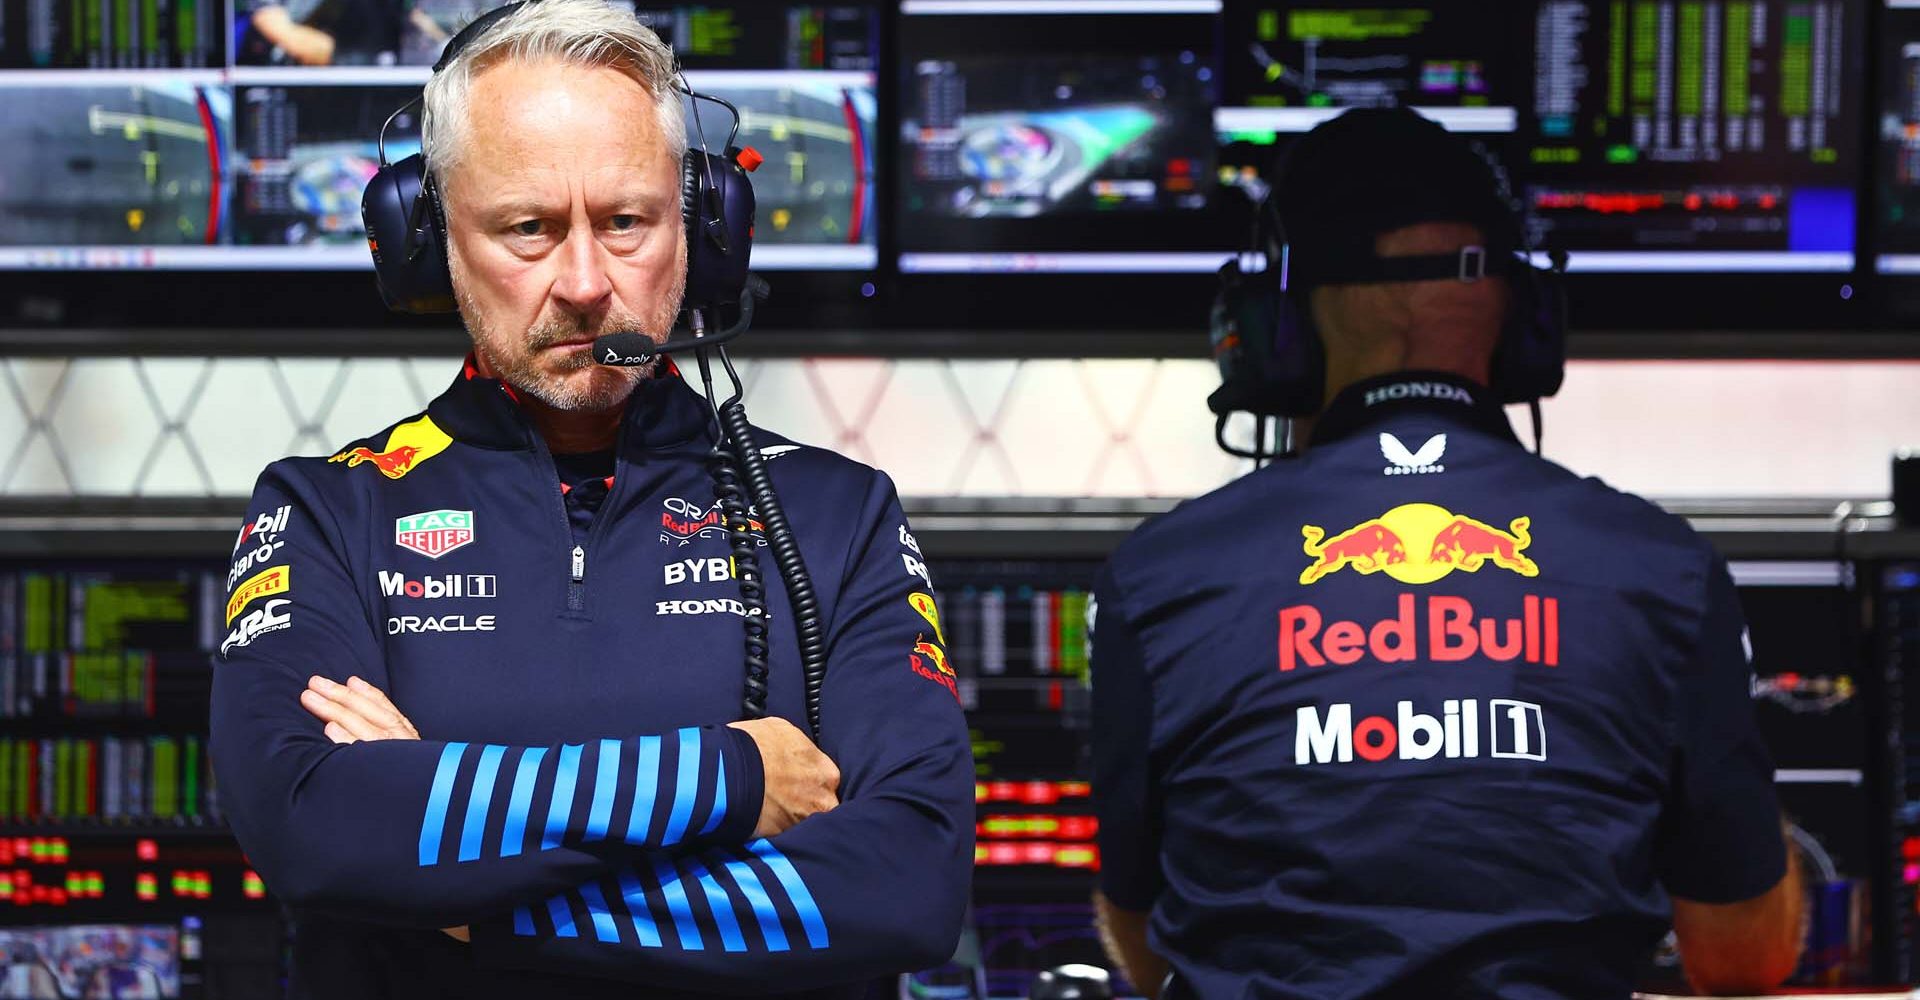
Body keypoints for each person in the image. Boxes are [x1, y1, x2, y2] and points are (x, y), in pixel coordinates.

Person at [208, 2, 973, 995]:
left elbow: (906, 885)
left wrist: (465, 903)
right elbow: (315, 823)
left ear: (703, 224)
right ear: (430, 237)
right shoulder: (325, 513)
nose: (584, 282)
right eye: (528, 228)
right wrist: (733, 780)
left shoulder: (836, 515)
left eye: (625, 222)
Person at [1087, 108, 1803, 999]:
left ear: (1274, 329)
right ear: (1529, 324)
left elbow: (1150, 937)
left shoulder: (1157, 579)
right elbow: (1743, 960)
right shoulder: (1662, 571)